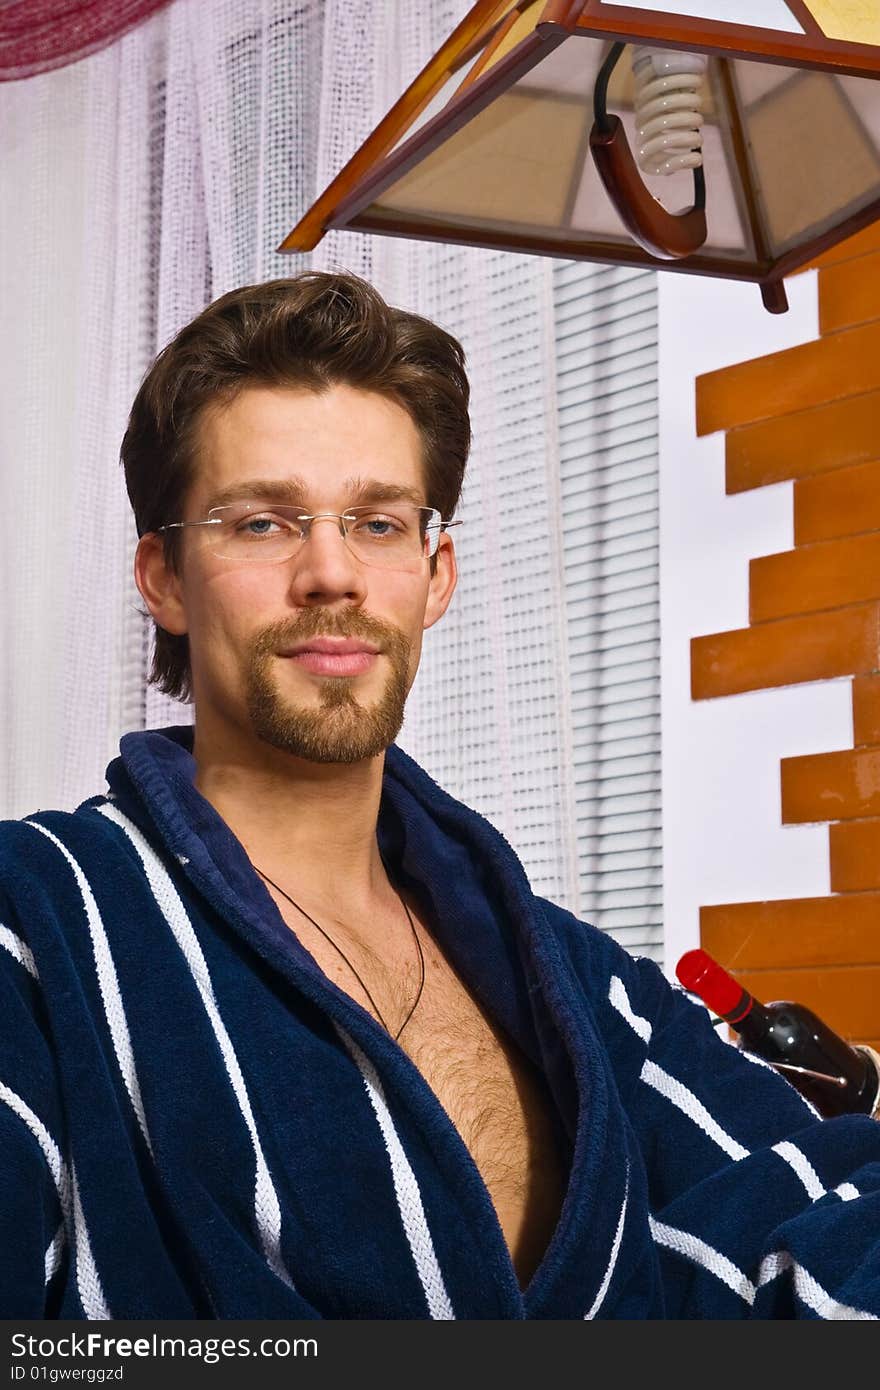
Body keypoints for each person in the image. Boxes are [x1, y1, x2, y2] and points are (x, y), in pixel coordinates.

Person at [1, 272, 879, 1322]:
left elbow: (816, 1194)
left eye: (376, 524)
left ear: (436, 573)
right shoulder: (37, 929)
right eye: (263, 523)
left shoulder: (572, 980)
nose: (331, 573)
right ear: (165, 578)